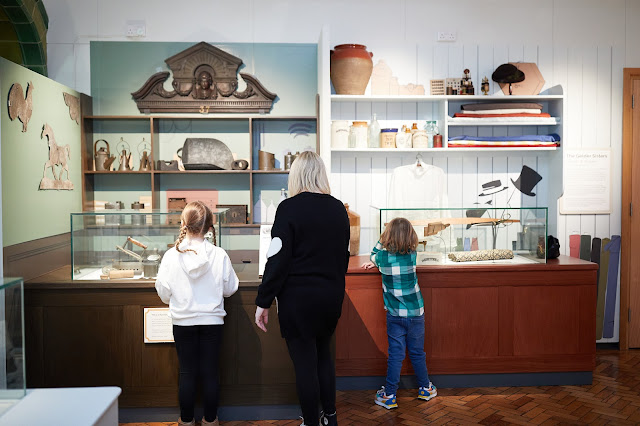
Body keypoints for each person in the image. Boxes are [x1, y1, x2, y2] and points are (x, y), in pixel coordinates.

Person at [254, 151, 350, 426]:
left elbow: (277, 258)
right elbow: (342, 256)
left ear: (295, 175)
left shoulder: (288, 208)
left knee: (305, 365)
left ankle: (310, 421)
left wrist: (264, 300)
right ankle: (330, 417)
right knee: (323, 358)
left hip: (298, 300)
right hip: (330, 297)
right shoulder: (338, 209)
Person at [155, 201, 239, 426]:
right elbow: (230, 289)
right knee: (211, 373)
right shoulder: (219, 254)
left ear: (183, 223)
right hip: (212, 322)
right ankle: (211, 420)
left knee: (187, 373)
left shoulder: (172, 256)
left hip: (183, 322)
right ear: (209, 227)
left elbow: (163, 292)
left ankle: (186, 420)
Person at [361, 217, 437, 409]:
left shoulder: (382, 259)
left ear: (387, 236)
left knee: (396, 355)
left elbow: (373, 253)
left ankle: (389, 395)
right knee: (417, 352)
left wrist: (382, 239)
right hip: (416, 313)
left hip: (395, 315)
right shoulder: (412, 254)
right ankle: (425, 388)